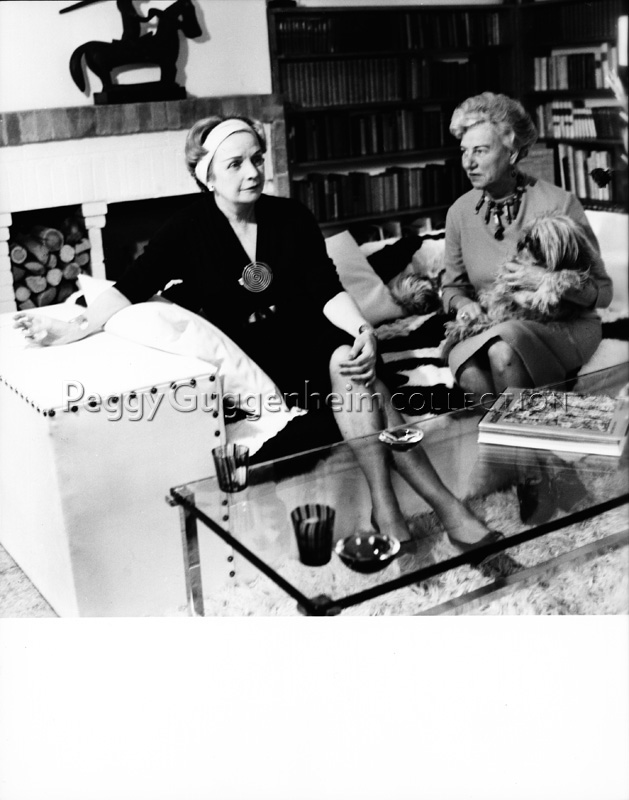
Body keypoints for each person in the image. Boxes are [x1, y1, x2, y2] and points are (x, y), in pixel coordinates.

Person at [13, 114, 497, 554]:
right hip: (263, 359)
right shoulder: (186, 229)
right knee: (367, 385)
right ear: (207, 175)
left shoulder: (291, 216)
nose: (253, 172)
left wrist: (362, 330)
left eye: (257, 159)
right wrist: (72, 327)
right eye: (236, 163)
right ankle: (443, 509)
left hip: (313, 337)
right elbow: (129, 287)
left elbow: (326, 288)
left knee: (349, 360)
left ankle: (388, 510)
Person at [441, 92, 613, 401]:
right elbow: (453, 287)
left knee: (502, 352)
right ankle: (523, 423)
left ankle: (533, 423)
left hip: (562, 325)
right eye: (464, 151)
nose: (468, 162)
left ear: (512, 153)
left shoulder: (560, 203)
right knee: (469, 371)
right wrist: (463, 305)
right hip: (493, 319)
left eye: (480, 151)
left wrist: (546, 280)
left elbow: (601, 293)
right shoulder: (459, 212)